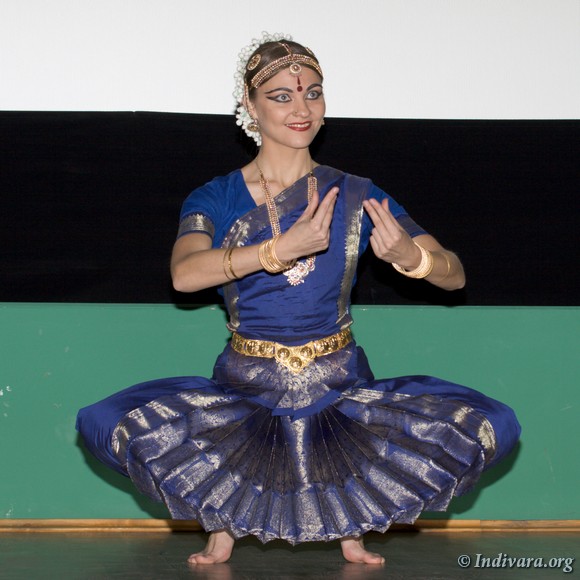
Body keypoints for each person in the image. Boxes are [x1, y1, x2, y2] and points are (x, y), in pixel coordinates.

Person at [77, 33, 521, 566]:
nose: (302, 108)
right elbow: (185, 274)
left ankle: (353, 527)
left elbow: (454, 274)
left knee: (490, 423)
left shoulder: (355, 193)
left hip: (338, 381)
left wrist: (412, 257)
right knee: (111, 422)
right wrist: (276, 251)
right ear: (250, 105)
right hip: (248, 381)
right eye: (282, 96)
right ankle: (222, 524)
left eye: (313, 93)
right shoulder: (216, 196)